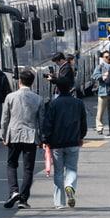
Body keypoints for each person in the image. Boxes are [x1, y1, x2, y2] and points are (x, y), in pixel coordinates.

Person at [40, 75, 87, 208]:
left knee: (59, 171)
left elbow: (48, 124)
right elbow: (83, 123)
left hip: (56, 143)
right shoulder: (78, 103)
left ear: (57, 88)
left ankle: (59, 203)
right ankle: (70, 186)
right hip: (73, 141)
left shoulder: (53, 104)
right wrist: (81, 136)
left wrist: (46, 139)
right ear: (71, 88)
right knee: (72, 168)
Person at [0, 68, 42, 209]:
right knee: (28, 168)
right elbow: (41, 120)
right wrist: (41, 138)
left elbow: (5, 118)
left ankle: (13, 191)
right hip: (30, 135)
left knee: (11, 164)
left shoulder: (10, 97)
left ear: (19, 82)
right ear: (32, 83)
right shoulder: (38, 98)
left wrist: (3, 135)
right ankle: (23, 199)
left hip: (14, 134)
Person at [94, 50, 110, 135]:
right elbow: (94, 75)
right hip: (103, 91)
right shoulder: (100, 66)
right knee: (100, 112)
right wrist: (102, 76)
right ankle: (99, 127)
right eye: (106, 57)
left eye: (109, 56)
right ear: (102, 58)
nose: (108, 58)